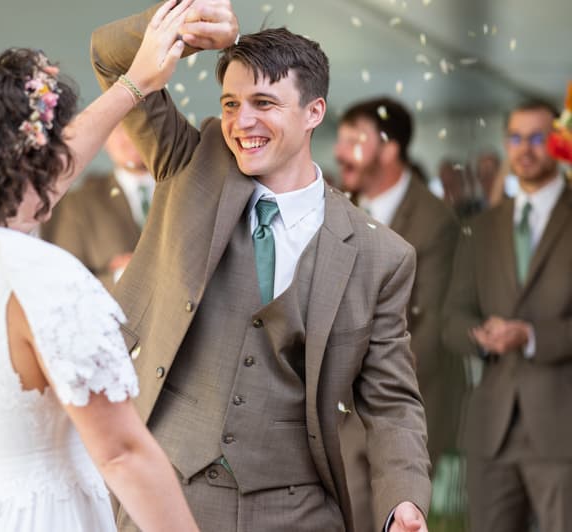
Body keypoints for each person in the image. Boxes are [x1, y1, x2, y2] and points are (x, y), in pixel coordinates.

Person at [92, 3, 431, 531]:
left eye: (264, 103)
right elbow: (110, 59)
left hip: (298, 510)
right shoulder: (190, 165)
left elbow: (391, 402)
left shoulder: (380, 255)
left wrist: (404, 500)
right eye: (230, 103)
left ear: (314, 111)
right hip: (167, 498)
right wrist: (187, 25)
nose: (242, 121)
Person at [0, 2, 199, 530]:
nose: (59, 161)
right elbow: (121, 453)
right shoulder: (39, 276)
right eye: (46, 148)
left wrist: (134, 85)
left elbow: (40, 177)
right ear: (26, 163)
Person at [334, 97, 462, 531]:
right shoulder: (333, 205)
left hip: (405, 401)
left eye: (356, 139)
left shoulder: (435, 220)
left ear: (389, 150)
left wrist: (361, 379)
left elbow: (433, 325)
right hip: (340, 408)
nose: (339, 150)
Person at [443, 100, 572, 532]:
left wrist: (532, 336)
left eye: (537, 137)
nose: (525, 149)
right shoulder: (482, 228)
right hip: (490, 430)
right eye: (516, 138)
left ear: (558, 141)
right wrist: (481, 336)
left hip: (562, 428)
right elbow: (452, 319)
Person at [44, 122, 153, 290]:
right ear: (104, 140)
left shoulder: (185, 192)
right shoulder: (80, 202)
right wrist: (121, 276)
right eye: (117, 129)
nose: (128, 137)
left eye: (136, 125)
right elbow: (66, 281)